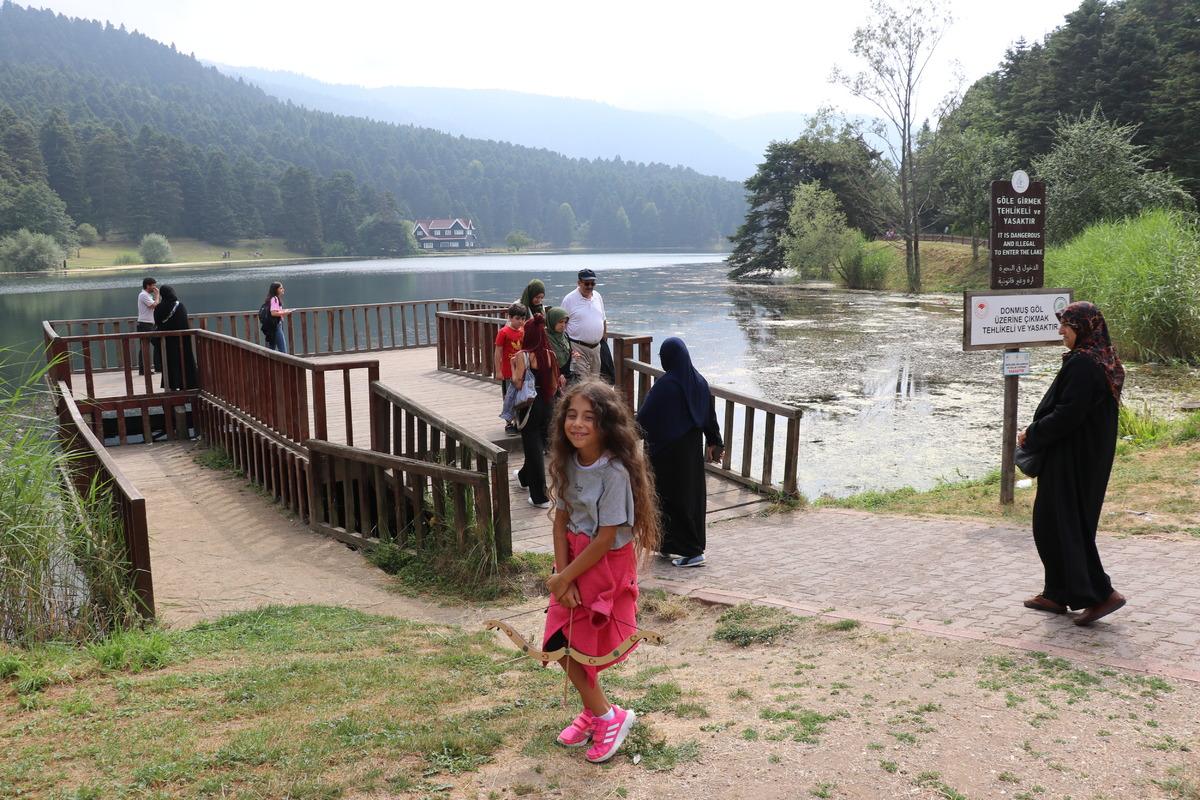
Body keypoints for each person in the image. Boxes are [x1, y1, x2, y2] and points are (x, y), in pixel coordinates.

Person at [543, 380, 660, 764]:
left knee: (581, 645)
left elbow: (606, 537)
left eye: (588, 418)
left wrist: (567, 577)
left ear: (606, 424)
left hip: (604, 562)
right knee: (560, 642)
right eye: (571, 415)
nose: (577, 424)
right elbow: (561, 523)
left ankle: (608, 717)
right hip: (574, 560)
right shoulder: (566, 460)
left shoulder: (614, 473)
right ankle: (599, 712)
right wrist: (563, 576)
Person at [1017, 301, 1126, 626]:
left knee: (1065, 526)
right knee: (1056, 524)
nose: (1061, 330)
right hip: (1081, 457)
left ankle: (1102, 595)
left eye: (1066, 324)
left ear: (1083, 328)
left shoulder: (1083, 364)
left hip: (1073, 459)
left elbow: (1068, 414)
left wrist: (1031, 435)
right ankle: (1057, 593)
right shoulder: (1099, 360)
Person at [636, 338, 723, 567]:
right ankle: (672, 545)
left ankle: (691, 551)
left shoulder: (666, 385)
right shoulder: (699, 383)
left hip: (665, 455)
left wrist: (622, 437)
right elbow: (708, 417)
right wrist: (715, 441)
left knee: (667, 499)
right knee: (689, 499)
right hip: (691, 454)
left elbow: (644, 418)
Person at [511, 314, 560, 508]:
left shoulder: (523, 355)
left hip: (530, 405)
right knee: (538, 443)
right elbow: (555, 384)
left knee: (533, 447)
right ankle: (524, 477)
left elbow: (517, 382)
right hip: (548, 403)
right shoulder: (551, 355)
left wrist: (514, 365)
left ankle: (540, 496)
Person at [561, 269, 606, 380]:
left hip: (596, 349)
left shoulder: (598, 297)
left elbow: (603, 319)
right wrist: (568, 349)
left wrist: (604, 339)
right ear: (579, 283)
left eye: (593, 283)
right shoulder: (569, 300)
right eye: (587, 283)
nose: (590, 286)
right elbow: (561, 324)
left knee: (595, 384)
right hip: (578, 348)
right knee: (581, 383)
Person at [153, 285, 197, 390]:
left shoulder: (159, 308)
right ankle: (186, 384)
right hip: (182, 341)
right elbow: (184, 323)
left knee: (168, 363)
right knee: (183, 361)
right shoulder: (180, 306)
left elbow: (157, 323)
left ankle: (171, 385)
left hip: (166, 341)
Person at [494, 303, 528, 434]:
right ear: (510, 317)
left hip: (520, 371)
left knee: (520, 397)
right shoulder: (503, 332)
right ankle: (508, 423)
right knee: (508, 397)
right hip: (508, 371)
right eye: (517, 318)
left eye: (522, 319)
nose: (520, 321)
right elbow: (497, 352)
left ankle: (518, 421)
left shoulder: (523, 331)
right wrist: (498, 370)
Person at [135, 277, 161, 375]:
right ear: (148, 285)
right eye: (153, 285)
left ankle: (158, 367)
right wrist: (157, 295)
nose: (155, 287)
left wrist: (156, 297)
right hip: (144, 325)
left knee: (157, 344)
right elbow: (154, 306)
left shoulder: (147, 295)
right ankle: (143, 370)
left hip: (150, 324)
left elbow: (156, 305)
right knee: (144, 347)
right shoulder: (143, 295)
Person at [545, 307, 573, 390]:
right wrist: (558, 375)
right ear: (552, 321)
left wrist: (573, 355)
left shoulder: (565, 336)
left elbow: (567, 352)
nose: (563, 325)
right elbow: (545, 361)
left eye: (565, 322)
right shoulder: (545, 338)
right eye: (560, 322)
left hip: (567, 377)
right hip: (552, 379)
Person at [263, 281, 293, 354]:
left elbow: (275, 310)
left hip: (273, 326)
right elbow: (273, 313)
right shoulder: (274, 299)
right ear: (275, 289)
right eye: (281, 288)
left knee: (271, 349)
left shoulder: (272, 298)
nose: (283, 289)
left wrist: (283, 310)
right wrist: (286, 312)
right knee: (283, 351)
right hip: (276, 326)